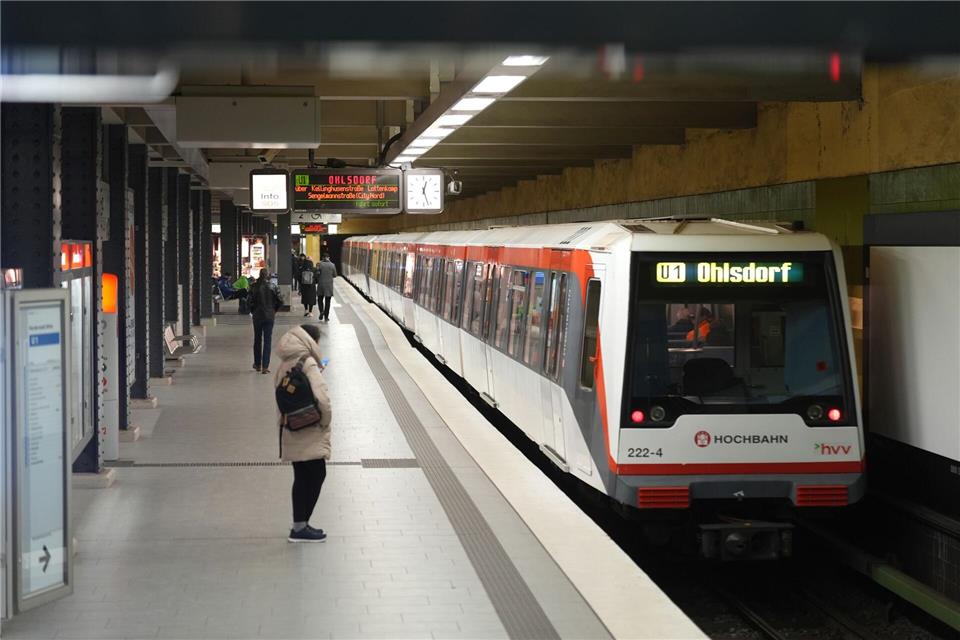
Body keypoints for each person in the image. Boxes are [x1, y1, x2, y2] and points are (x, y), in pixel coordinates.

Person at [273, 324, 332, 542]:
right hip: (310, 428)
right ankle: (300, 527)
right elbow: (322, 399)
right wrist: (325, 422)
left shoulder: (285, 363)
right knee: (317, 474)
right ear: (311, 342)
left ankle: (300, 526)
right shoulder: (308, 363)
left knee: (301, 477)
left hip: (291, 425)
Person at [248, 271, 283, 373]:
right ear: (268, 275)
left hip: (257, 316)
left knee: (257, 339)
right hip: (269, 316)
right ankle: (265, 366)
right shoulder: (273, 286)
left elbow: (248, 301)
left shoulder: (253, 287)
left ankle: (257, 364)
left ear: (259, 275)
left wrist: (253, 311)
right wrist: (274, 310)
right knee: (268, 340)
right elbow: (280, 301)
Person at [316, 254, 337, 322]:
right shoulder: (332, 265)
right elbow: (335, 275)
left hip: (321, 285)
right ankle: (326, 317)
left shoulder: (319, 264)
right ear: (329, 257)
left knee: (320, 300)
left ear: (322, 258)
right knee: (328, 302)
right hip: (329, 286)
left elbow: (317, 274)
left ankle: (321, 311)